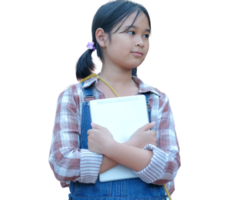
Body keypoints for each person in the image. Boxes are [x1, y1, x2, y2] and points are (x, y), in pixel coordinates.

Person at [46, 1, 182, 200]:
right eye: (131, 32)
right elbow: (62, 165)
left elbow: (169, 168)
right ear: (102, 37)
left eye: (146, 35)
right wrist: (135, 145)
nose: (141, 42)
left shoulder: (157, 99)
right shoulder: (74, 96)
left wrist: (110, 147)